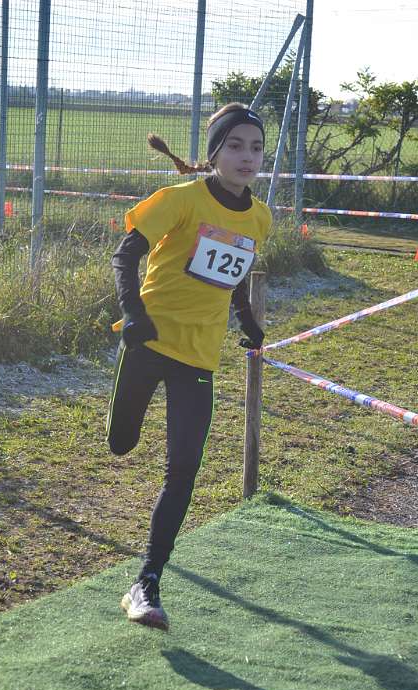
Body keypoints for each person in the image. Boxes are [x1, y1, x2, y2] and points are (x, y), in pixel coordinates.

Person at [107, 102, 272, 631]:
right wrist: (133, 313)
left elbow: (235, 273)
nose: (247, 157)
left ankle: (146, 582)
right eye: (235, 146)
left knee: (183, 470)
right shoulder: (181, 199)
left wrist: (247, 319)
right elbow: (125, 255)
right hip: (149, 340)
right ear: (215, 152)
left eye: (256, 148)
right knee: (121, 443)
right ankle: (123, 421)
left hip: (199, 356)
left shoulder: (260, 217)